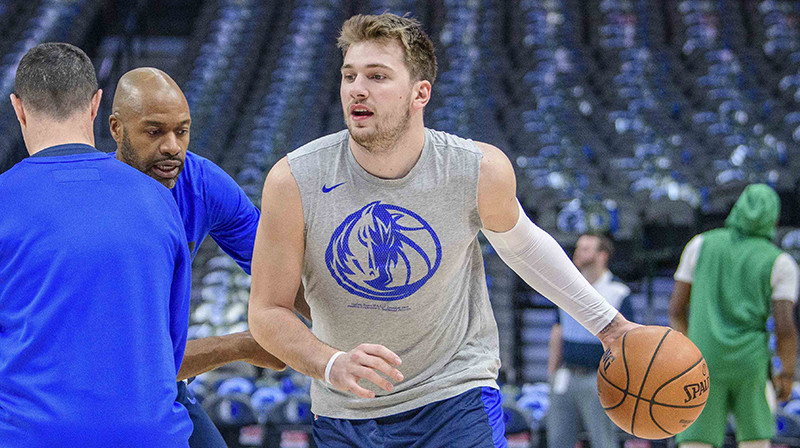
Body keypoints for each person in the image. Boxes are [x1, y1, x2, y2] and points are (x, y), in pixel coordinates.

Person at [247, 13, 638, 447]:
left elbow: (525, 248)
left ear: (420, 93)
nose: (357, 88)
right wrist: (329, 361)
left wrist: (610, 325)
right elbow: (267, 311)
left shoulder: (476, 169)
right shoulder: (293, 180)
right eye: (349, 75)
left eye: (377, 76)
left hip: (455, 395)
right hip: (346, 408)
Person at [0, 43, 192, 447]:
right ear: (95, 105)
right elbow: (171, 344)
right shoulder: (158, 198)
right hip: (151, 436)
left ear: (18, 108)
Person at [108, 67, 308, 448]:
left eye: (181, 131)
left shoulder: (200, 181)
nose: (172, 146)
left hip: (166, 386)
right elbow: (135, 363)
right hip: (97, 390)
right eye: (154, 132)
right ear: (117, 129)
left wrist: (348, 335)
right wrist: (244, 346)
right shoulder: (96, 209)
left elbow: (285, 274)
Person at [669, 184, 799, 448]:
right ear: (774, 219)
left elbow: (676, 310)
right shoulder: (780, 261)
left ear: (737, 208)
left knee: (696, 442)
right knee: (756, 441)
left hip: (702, 361)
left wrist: (685, 355)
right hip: (750, 364)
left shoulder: (700, 244)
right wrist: (786, 373)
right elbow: (785, 327)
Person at [546, 232, 633, 448]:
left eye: (586, 248)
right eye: (578, 247)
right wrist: (552, 372)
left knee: (603, 441)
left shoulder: (618, 291)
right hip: (566, 374)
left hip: (599, 378)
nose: (578, 252)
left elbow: (627, 342)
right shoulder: (566, 286)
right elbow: (558, 329)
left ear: (602, 255)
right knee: (557, 440)